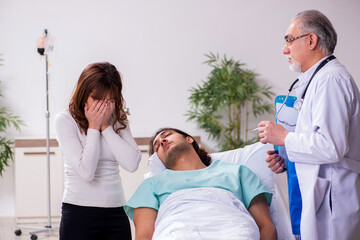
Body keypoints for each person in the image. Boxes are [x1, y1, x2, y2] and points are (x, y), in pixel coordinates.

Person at [257, 10, 360, 240]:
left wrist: (284, 138)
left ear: (311, 40)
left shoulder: (331, 80)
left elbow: (332, 146)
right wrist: (287, 159)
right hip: (321, 195)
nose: (285, 49)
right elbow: (317, 141)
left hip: (335, 201)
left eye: (288, 40)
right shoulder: (318, 79)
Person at [124, 128, 277, 240]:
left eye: (167, 135)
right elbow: (144, 237)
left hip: (233, 229)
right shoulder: (152, 184)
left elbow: (266, 226)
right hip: (177, 232)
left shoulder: (237, 172)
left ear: (189, 139)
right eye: (157, 146)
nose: (162, 141)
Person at [55, 62, 142, 240]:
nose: (103, 107)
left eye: (110, 100)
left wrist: (106, 126)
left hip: (116, 210)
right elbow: (86, 172)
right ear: (83, 94)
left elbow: (132, 163)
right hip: (78, 211)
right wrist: (94, 127)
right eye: (97, 100)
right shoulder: (65, 120)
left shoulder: (117, 119)